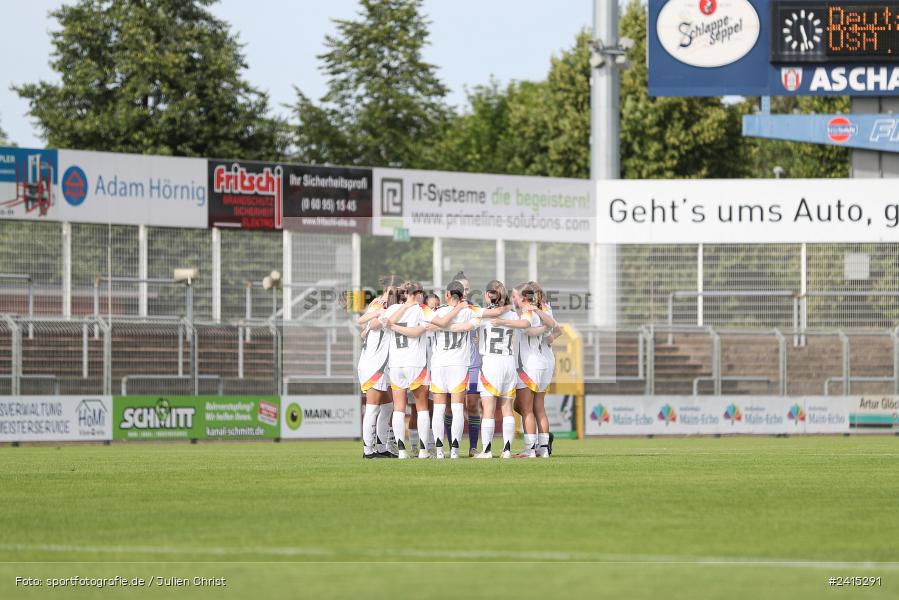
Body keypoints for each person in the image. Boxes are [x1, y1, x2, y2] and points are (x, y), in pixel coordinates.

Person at [474, 280, 538, 459]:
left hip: (490, 363)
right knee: (507, 408)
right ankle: (507, 449)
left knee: (488, 408)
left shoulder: (484, 315)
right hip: (509, 363)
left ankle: (486, 450)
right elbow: (525, 325)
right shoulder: (513, 315)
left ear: (488, 295)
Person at [424, 280, 482, 459]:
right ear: (462, 295)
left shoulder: (438, 312)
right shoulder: (468, 312)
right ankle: (455, 451)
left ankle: (441, 450)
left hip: (439, 364)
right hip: (459, 365)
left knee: (439, 409)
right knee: (458, 408)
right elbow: (477, 323)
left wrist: (443, 326)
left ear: (447, 294)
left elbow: (428, 326)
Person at [381, 281, 433, 459]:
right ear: (417, 293)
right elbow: (416, 332)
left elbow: (386, 322)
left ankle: (402, 451)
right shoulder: (422, 309)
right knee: (422, 407)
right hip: (415, 363)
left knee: (399, 408)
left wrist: (394, 325)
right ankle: (424, 450)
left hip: (396, 364)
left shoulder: (392, 309)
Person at [512, 282, 556, 458]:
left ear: (523, 297)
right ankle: (543, 448)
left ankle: (530, 449)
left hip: (529, 365)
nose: (513, 298)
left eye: (515, 296)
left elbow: (528, 331)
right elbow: (554, 326)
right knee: (538, 409)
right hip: (543, 363)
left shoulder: (527, 313)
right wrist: (546, 328)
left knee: (527, 409)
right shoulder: (543, 309)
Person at [357, 288, 395, 459]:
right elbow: (365, 322)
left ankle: (381, 447)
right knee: (372, 408)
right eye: (390, 292)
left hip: (382, 366)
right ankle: (368, 450)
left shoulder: (385, 307)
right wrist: (379, 312)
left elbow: (364, 327)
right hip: (374, 366)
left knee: (388, 406)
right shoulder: (380, 307)